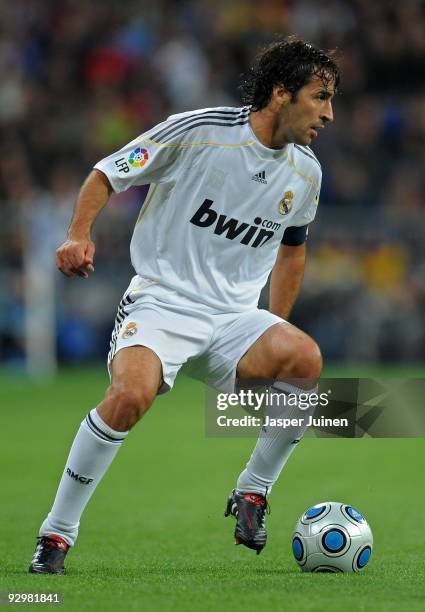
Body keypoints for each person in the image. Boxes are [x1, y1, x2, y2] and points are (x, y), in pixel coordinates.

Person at [29, 36, 338, 574]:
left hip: (232, 321)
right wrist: (78, 234)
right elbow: (109, 171)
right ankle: (56, 535)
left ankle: (254, 493)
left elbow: (293, 247)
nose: (329, 114)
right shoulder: (201, 132)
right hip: (163, 304)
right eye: (320, 97)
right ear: (281, 93)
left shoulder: (306, 172)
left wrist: (272, 324)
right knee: (130, 396)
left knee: (304, 360)